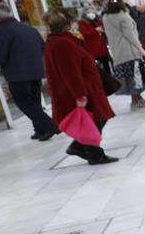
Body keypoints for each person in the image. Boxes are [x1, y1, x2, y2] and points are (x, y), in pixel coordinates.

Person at [43, 10, 118, 165]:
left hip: (88, 87)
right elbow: (70, 72)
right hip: (85, 89)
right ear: (69, 24)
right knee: (96, 120)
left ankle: (85, 150)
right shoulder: (62, 43)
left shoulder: (62, 41)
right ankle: (90, 152)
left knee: (97, 119)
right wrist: (79, 95)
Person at [0, 2, 60, 141]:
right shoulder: (28, 28)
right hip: (36, 71)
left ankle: (51, 126)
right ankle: (40, 130)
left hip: (17, 74)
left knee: (24, 102)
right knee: (34, 101)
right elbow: (42, 47)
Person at [102, 0, 145, 109]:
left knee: (128, 77)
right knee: (135, 76)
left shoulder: (106, 17)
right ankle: (136, 99)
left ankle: (137, 99)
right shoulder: (123, 17)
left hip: (117, 52)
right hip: (129, 51)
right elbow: (130, 35)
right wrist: (140, 48)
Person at [78, 8, 111, 74]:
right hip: (92, 49)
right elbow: (85, 33)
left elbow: (104, 28)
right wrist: (95, 30)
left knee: (106, 66)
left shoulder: (98, 20)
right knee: (97, 67)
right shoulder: (82, 23)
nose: (91, 13)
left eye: (92, 11)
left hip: (102, 48)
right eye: (88, 12)